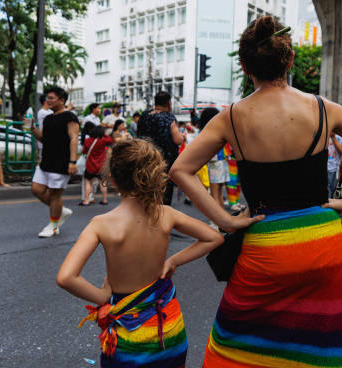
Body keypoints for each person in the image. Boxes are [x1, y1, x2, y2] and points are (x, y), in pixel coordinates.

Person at [170, 15, 342, 367]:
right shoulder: (322, 108)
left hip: (266, 246)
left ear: (245, 66)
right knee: (314, 348)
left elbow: (180, 170)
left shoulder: (230, 117)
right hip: (323, 244)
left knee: (237, 348)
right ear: (289, 61)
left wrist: (224, 221)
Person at [57, 139, 223, 368]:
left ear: (113, 179)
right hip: (169, 328)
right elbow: (214, 237)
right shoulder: (166, 214)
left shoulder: (101, 224)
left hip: (129, 334)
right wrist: (174, 260)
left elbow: (66, 277)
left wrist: (102, 297)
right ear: (154, 175)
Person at [28, 87, 79, 238]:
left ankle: (54, 225)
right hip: (46, 161)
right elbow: (43, 138)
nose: (47, 101)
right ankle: (60, 211)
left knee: (55, 195)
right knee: (36, 189)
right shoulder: (48, 118)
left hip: (62, 162)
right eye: (47, 98)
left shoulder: (70, 116)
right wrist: (32, 127)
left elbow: (74, 139)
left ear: (62, 100)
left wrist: (72, 161)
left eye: (51, 98)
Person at [138, 91, 184, 205]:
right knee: (164, 193)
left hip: (145, 158)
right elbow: (178, 140)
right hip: (164, 162)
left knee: (147, 190)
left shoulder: (144, 116)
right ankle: (162, 218)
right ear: (169, 103)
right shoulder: (169, 118)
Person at [198, 108, 230, 210]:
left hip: (214, 164)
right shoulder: (221, 130)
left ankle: (218, 223)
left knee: (214, 195)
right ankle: (223, 220)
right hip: (223, 163)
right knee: (219, 194)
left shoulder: (208, 132)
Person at [79, 126, 113, 206]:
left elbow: (84, 152)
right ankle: (104, 200)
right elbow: (110, 140)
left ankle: (86, 201)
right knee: (102, 183)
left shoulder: (88, 140)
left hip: (90, 165)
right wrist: (104, 134)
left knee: (88, 182)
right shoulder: (103, 140)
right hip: (101, 165)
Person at [36, 93, 53, 161]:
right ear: (45, 101)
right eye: (49, 99)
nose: (51, 101)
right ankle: (37, 171)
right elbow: (57, 115)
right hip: (43, 139)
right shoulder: (42, 112)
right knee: (42, 160)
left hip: (49, 140)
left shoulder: (49, 111)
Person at [327, 132, 342, 197]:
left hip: (336, 170)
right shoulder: (323, 132)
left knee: (335, 194)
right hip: (324, 169)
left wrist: (333, 137)